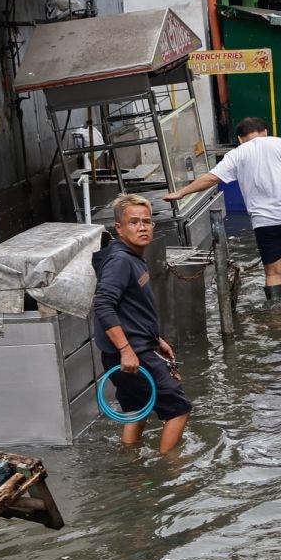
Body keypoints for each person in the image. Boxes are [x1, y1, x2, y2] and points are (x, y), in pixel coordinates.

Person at [164, 117, 281, 300]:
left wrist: (182, 192)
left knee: (273, 274)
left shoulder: (236, 154)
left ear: (240, 138)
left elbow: (211, 178)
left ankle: (277, 318)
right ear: (265, 131)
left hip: (263, 223)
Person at [92, 194, 192, 454]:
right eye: (134, 222)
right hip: (133, 355)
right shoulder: (121, 260)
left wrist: (156, 339)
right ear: (119, 228)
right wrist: (127, 350)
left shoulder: (129, 255)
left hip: (135, 349)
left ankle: (132, 470)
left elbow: (131, 309)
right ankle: (171, 469)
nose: (142, 227)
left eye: (147, 222)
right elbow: (103, 305)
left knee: (137, 410)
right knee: (179, 409)